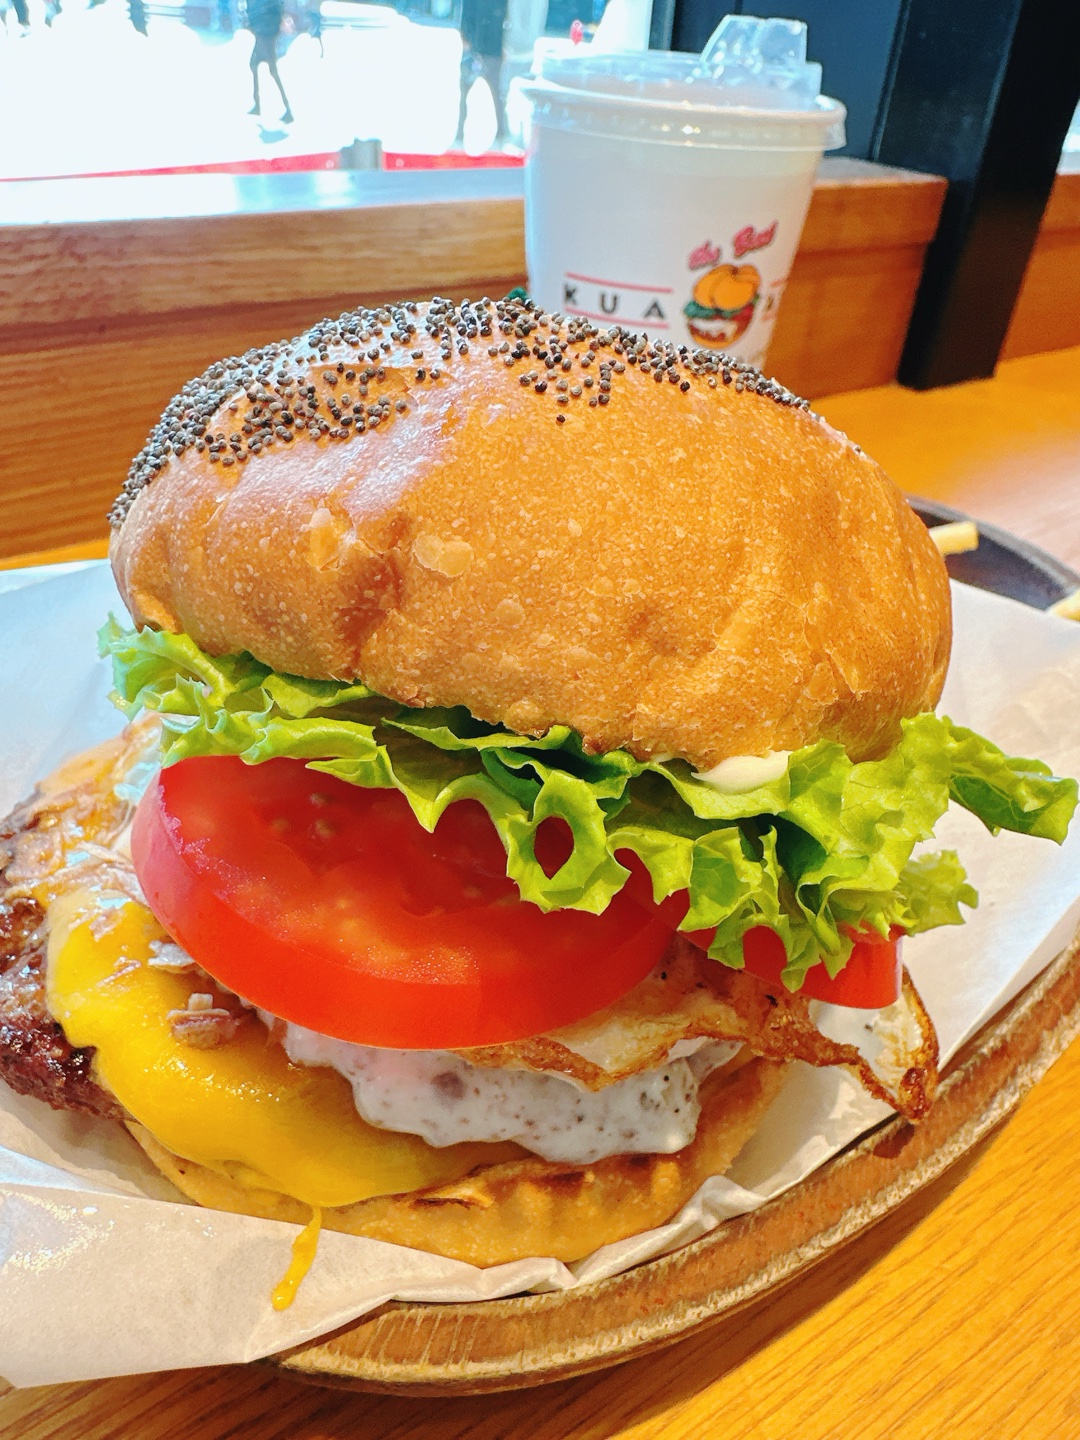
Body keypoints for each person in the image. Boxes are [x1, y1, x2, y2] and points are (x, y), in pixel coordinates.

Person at [456, 0, 509, 147]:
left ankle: (500, 132)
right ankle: (501, 132)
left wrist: (465, 38)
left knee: (494, 94)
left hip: (483, 47)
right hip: (487, 47)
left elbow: (465, 14)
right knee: (496, 94)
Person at [245, 0, 294, 124]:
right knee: (256, 65)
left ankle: (287, 109)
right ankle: (258, 104)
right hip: (263, 33)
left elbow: (273, 12)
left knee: (272, 70)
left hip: (266, 34)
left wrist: (264, 30)